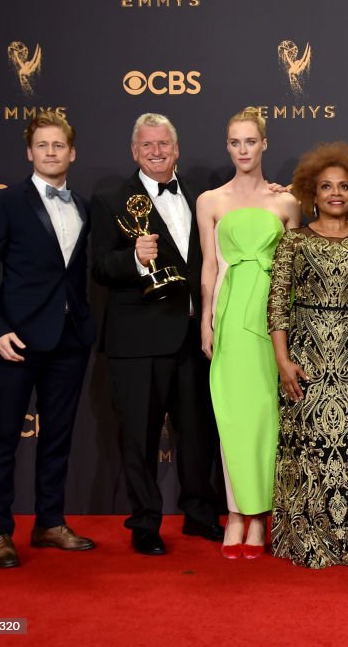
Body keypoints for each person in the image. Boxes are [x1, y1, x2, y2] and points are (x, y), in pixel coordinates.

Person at [0, 110, 97, 568]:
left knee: (58, 437)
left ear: (72, 152)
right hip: (15, 341)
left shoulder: (82, 205)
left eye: (58, 145)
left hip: (69, 340)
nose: (50, 152)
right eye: (42, 145)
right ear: (29, 152)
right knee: (3, 438)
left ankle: (49, 522)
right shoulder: (5, 203)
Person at [91, 113, 223, 555]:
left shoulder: (201, 199)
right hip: (136, 341)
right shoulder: (111, 198)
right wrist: (132, 258)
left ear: (177, 148)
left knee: (197, 433)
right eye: (147, 145)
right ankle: (145, 522)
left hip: (192, 337)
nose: (156, 152)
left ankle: (200, 515)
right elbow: (98, 268)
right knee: (139, 436)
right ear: (134, 152)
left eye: (163, 144)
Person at [268, 142, 348, 569]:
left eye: (343, 186)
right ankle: (306, 540)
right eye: (326, 186)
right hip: (306, 355)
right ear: (311, 193)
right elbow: (278, 305)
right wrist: (283, 361)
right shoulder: (295, 241)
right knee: (306, 449)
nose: (335, 193)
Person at [196, 108, 300, 559]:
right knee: (233, 418)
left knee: (266, 419)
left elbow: (297, 269)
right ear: (228, 147)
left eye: (250, 142)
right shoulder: (210, 200)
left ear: (264, 145)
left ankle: (260, 516)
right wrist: (206, 316)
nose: (243, 150)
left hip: (273, 317)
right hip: (230, 309)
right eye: (235, 143)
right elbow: (209, 265)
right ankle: (236, 513)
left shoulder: (287, 202)